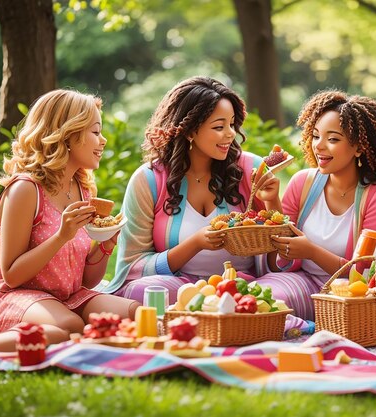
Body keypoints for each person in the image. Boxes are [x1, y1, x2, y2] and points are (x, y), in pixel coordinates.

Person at [0, 89, 139, 351]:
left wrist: (106, 245)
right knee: (70, 327)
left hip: (66, 297)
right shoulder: (25, 190)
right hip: (10, 297)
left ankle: (38, 333)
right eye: (96, 132)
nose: (104, 140)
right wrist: (61, 236)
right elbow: (11, 275)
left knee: (134, 314)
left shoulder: (83, 189)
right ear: (67, 135)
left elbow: (87, 281)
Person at [101, 76, 280, 304]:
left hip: (244, 285)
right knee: (144, 291)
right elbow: (132, 267)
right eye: (219, 127)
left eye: (232, 124)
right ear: (189, 131)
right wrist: (194, 244)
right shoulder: (148, 180)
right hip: (178, 286)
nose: (230, 134)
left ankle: (214, 306)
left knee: (285, 289)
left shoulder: (251, 169)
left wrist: (273, 202)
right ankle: (219, 307)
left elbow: (280, 261)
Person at [254, 90, 376, 320]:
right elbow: (280, 261)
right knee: (262, 300)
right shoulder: (303, 183)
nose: (319, 146)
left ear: (359, 147)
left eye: (333, 139)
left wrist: (312, 252)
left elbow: (366, 273)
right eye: (316, 136)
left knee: (274, 311)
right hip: (300, 281)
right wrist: (271, 200)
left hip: (348, 295)